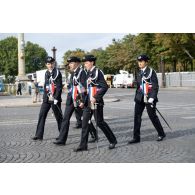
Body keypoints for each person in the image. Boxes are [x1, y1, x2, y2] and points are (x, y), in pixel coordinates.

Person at [74, 54, 117, 152]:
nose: (85, 64)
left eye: (86, 62)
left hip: (96, 102)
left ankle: (112, 140)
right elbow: (84, 89)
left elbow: (104, 87)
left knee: (100, 122)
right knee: (85, 123)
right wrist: (81, 100)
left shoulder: (98, 72)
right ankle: (83, 145)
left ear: (92, 62)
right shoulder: (87, 73)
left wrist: (96, 97)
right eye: (84, 63)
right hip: (87, 102)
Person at [54, 56, 97, 145]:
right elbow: (72, 86)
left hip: (80, 100)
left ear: (77, 63)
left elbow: (85, 88)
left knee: (85, 119)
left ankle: (94, 134)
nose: (69, 65)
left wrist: (81, 101)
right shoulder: (73, 73)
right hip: (71, 99)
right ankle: (62, 139)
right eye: (69, 63)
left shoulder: (82, 73)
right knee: (65, 119)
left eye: (71, 63)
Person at [128, 54, 166, 144]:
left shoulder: (151, 72)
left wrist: (152, 98)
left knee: (152, 116)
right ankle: (136, 137)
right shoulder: (138, 72)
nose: (139, 63)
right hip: (139, 98)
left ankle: (161, 133)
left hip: (149, 97)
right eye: (138, 61)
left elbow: (155, 86)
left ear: (146, 62)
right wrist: (135, 99)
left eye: (141, 61)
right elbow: (138, 88)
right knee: (136, 117)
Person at [32, 56, 63, 140]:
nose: (50, 65)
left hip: (55, 98)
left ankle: (62, 135)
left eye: (52, 63)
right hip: (47, 98)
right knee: (42, 115)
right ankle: (39, 135)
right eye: (48, 64)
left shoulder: (57, 73)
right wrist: (44, 97)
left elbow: (59, 87)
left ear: (54, 63)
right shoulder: (46, 73)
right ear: (46, 64)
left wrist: (56, 98)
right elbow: (46, 85)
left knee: (58, 117)